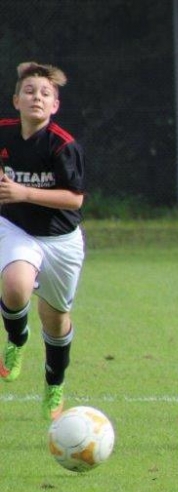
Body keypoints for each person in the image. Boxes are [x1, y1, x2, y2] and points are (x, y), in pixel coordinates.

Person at [0, 62, 87, 420]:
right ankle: (17, 339)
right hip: (16, 229)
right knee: (16, 284)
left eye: (45, 93)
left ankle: (54, 382)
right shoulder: (3, 133)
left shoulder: (62, 145)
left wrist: (24, 192)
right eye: (30, 91)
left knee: (55, 320)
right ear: (16, 100)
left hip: (61, 240)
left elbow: (74, 199)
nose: (37, 97)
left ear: (55, 106)